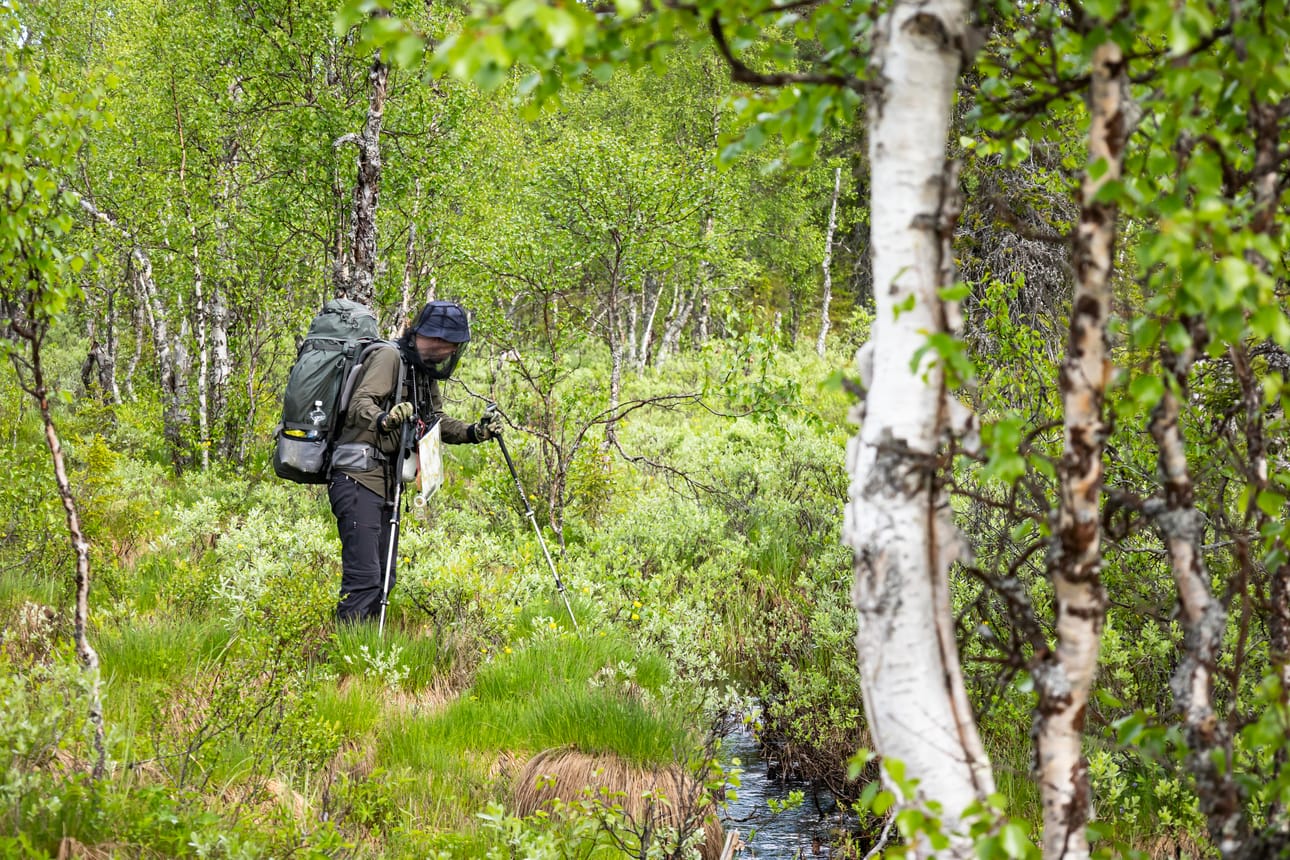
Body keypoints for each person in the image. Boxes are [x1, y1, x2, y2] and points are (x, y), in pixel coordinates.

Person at [328, 300, 503, 623]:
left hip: (387, 483)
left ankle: (363, 655)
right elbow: (359, 403)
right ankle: (345, 660)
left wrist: (473, 432)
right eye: (450, 346)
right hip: (358, 479)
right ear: (434, 339)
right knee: (364, 581)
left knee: (383, 581)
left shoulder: (420, 371)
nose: (450, 354)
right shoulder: (389, 357)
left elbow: (434, 421)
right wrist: (385, 418)